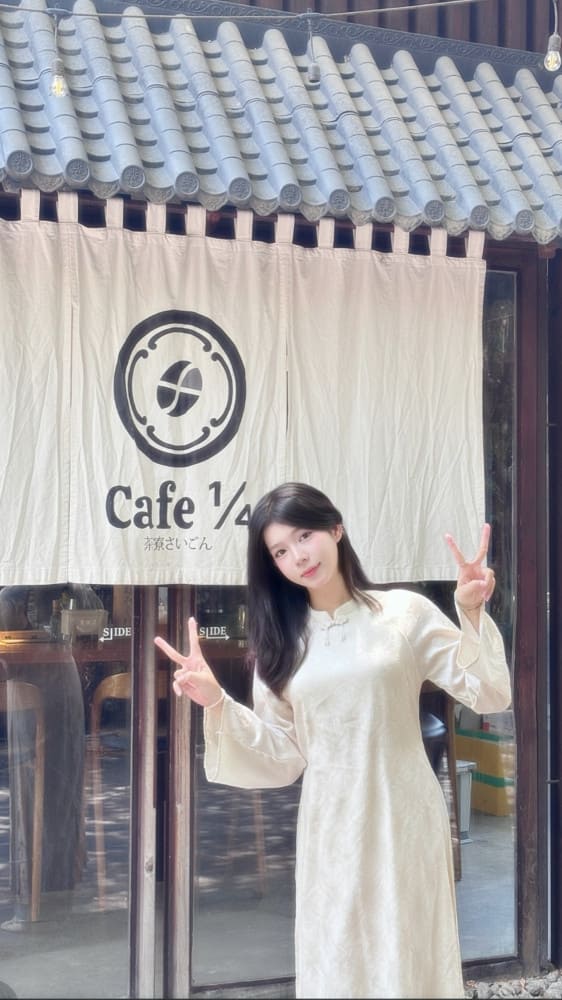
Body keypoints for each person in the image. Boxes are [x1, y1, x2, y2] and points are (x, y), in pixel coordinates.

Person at [154, 482, 512, 1000]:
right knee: (337, 958)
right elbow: (282, 756)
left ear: (336, 529)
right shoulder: (281, 647)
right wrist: (216, 702)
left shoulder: (403, 614)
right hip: (331, 826)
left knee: (410, 949)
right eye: (280, 551)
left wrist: (471, 613)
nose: (298, 556)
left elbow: (490, 692)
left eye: (304, 536)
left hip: (405, 817)